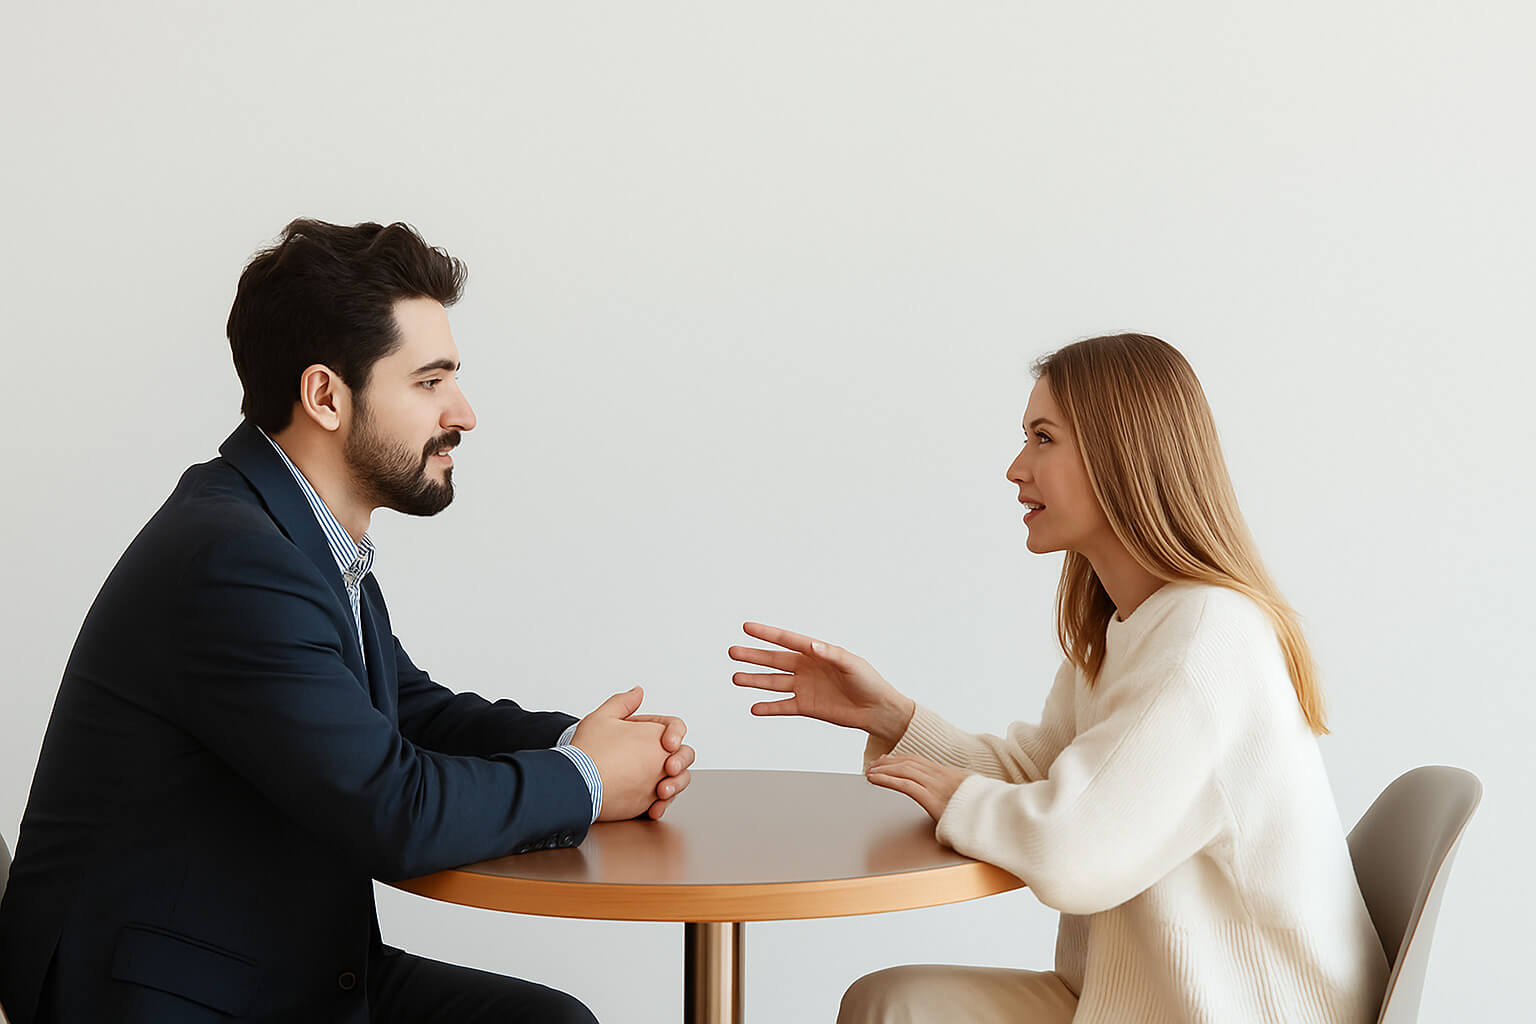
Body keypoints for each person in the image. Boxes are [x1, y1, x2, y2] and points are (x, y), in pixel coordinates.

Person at [0, 219, 695, 1024]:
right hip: (170, 995)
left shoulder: (293, 532)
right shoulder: (234, 560)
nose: (464, 413)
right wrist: (587, 780)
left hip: (269, 967)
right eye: (429, 383)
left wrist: (583, 743)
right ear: (326, 396)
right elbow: (393, 810)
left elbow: (408, 712)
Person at [729, 333, 1388, 1024]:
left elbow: (1078, 851)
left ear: (1120, 455)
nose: (1016, 468)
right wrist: (892, 717)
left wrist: (961, 799)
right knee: (889, 1004)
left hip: (1236, 1011)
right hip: (1130, 1002)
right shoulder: (1128, 628)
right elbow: (1042, 776)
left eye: (1043, 438)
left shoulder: (1205, 637)